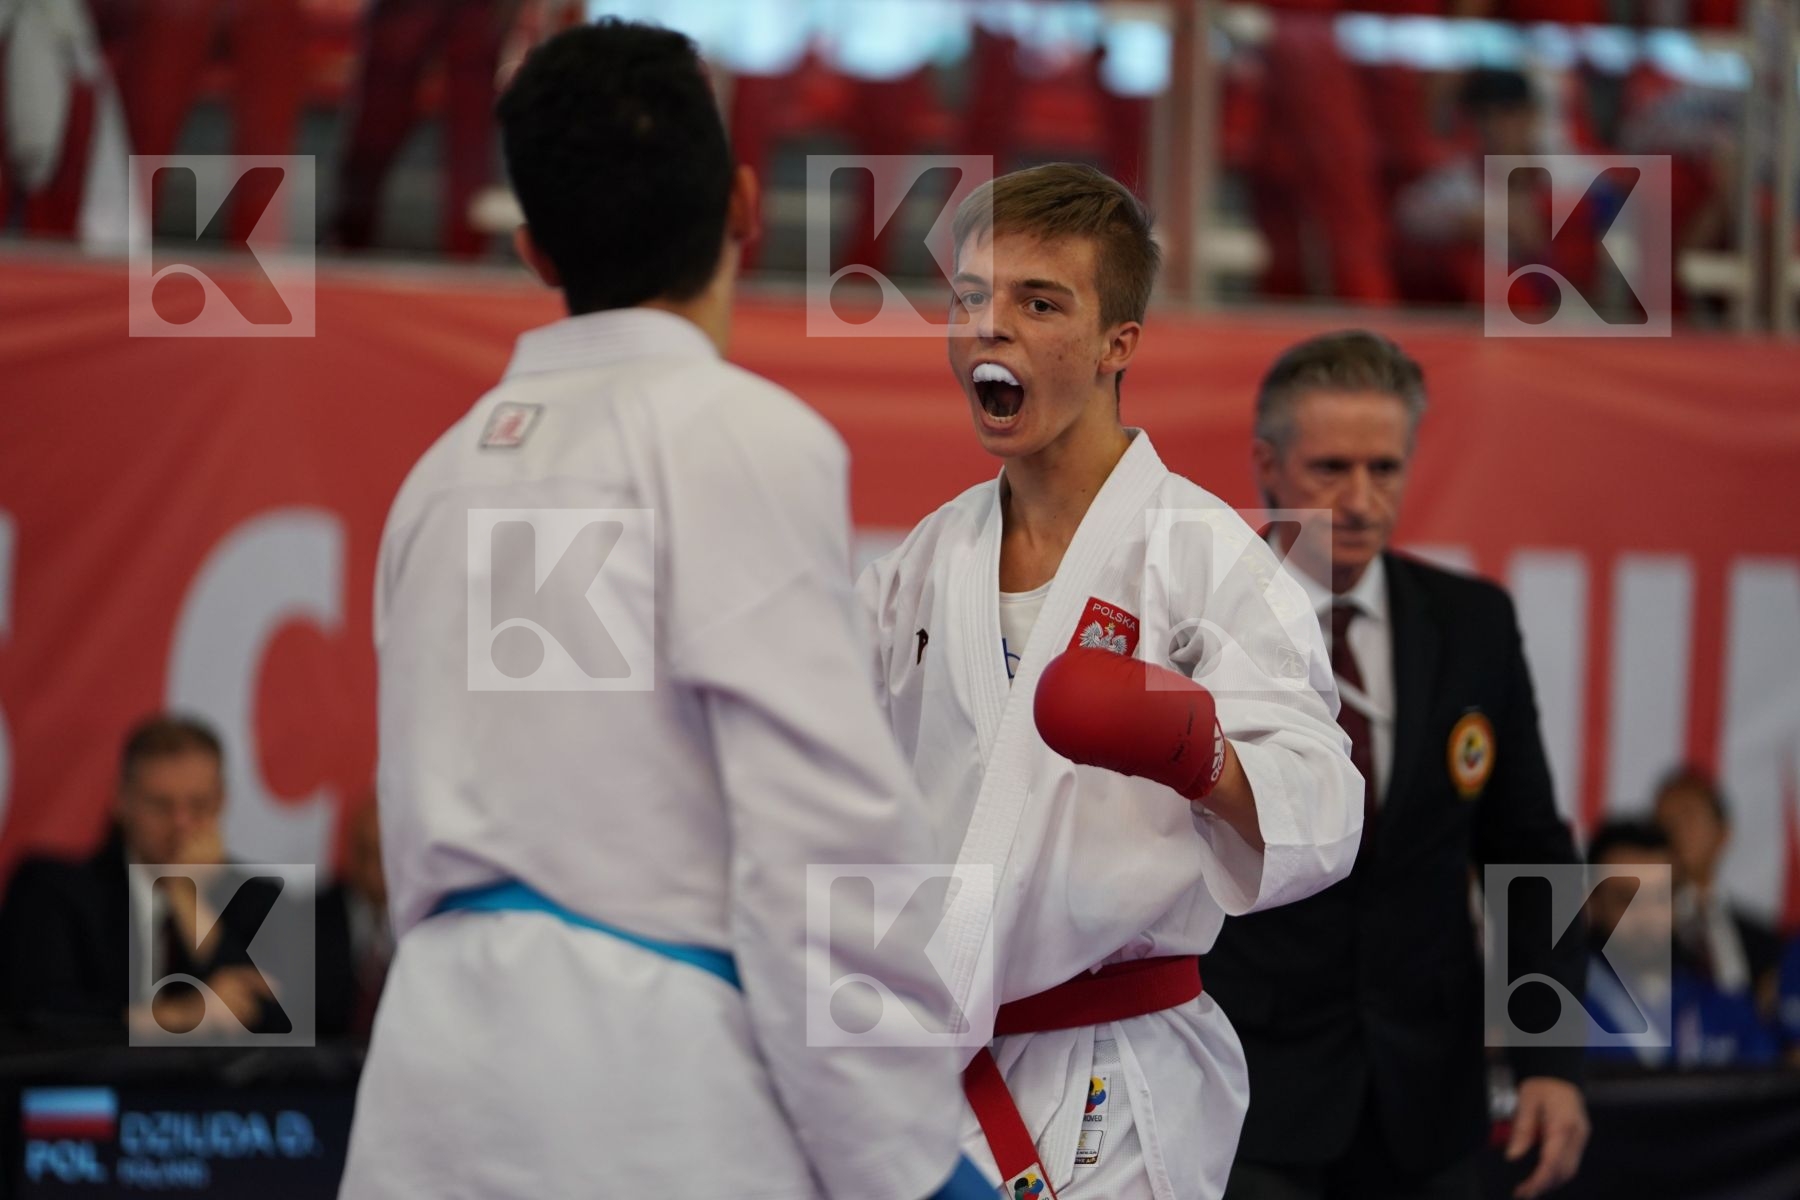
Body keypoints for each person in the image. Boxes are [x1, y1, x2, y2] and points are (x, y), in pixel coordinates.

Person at [337, 21, 986, 1200]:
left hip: (428, 1093)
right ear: (745, 205)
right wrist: (908, 1162)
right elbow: (820, 848)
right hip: (646, 1097)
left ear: (533, 249)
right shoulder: (737, 437)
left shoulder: (438, 477)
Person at [858, 162, 1364, 1200]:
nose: (991, 327)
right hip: (936, 1075)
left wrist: (1202, 755)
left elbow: (1326, 803)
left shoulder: (1202, 556)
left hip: (1115, 1075)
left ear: (1116, 344)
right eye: (972, 298)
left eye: (1039, 303)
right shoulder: (921, 563)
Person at [1204, 330, 1590, 1200]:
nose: (1360, 499)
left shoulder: (1473, 623)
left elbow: (1529, 851)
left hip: (1429, 1107)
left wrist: (1552, 1055)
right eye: (1330, 468)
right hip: (1245, 1098)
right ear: (1267, 465)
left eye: (1385, 468)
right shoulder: (1196, 624)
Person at [0, 714, 279, 1042]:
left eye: (198, 804)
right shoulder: (54, 890)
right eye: (161, 805)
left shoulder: (257, 899)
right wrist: (174, 1018)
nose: (182, 823)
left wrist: (186, 898)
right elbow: (38, 1014)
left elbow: (274, 1018)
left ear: (221, 802)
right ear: (122, 801)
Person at [1582, 820, 1779, 1070]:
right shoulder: (1554, 1008)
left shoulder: (1724, 1006)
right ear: (1593, 903)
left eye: (1661, 896)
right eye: (1627, 899)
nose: (1647, 916)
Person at [1650, 765, 1783, 1013]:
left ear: (1723, 833)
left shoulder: (1766, 941)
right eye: (1663, 823)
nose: (1675, 832)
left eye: (1688, 817)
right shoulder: (1631, 931)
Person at [315, 797, 391, 1041]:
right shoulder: (311, 919)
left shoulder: (429, 921)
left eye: (381, 854)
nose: (371, 869)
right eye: (363, 851)